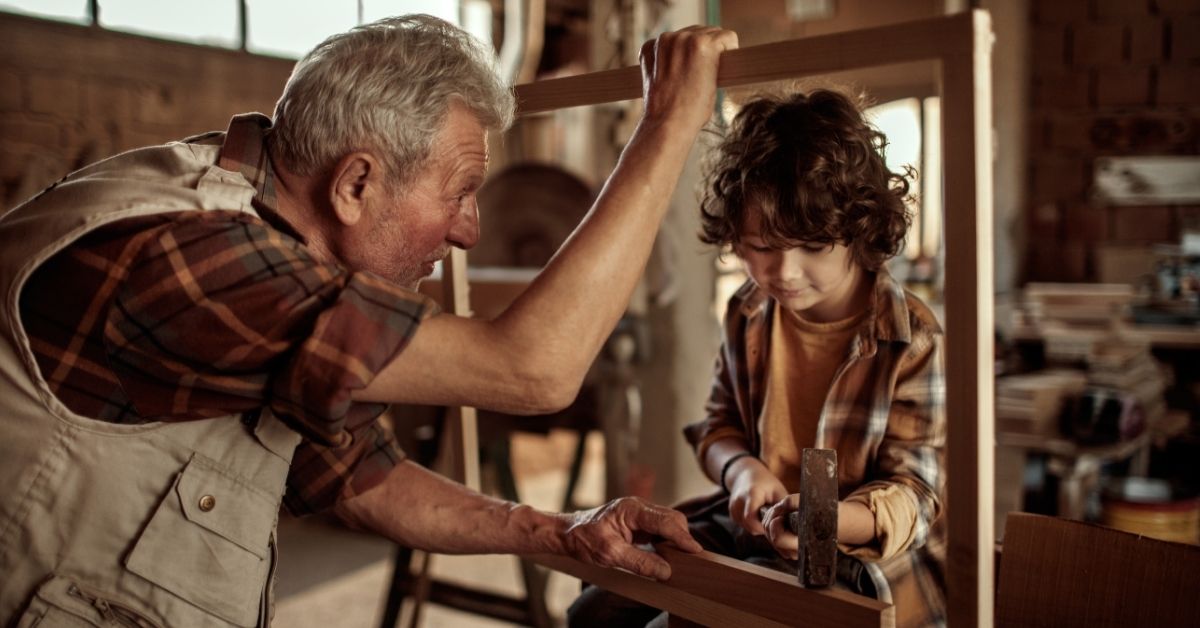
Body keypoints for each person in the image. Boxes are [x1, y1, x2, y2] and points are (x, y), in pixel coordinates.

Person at [0, 14, 738, 626]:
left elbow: (359, 477)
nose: (470, 231)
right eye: (460, 193)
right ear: (355, 184)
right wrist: (667, 124)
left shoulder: (257, 224)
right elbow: (533, 370)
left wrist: (560, 531)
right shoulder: (193, 255)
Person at [569, 89, 946, 628]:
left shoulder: (912, 338)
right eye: (762, 247)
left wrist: (827, 519)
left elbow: (917, 496)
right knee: (597, 607)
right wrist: (743, 471)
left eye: (812, 246)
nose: (784, 273)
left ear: (859, 230)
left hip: (857, 557)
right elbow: (716, 427)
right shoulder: (749, 311)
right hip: (748, 528)